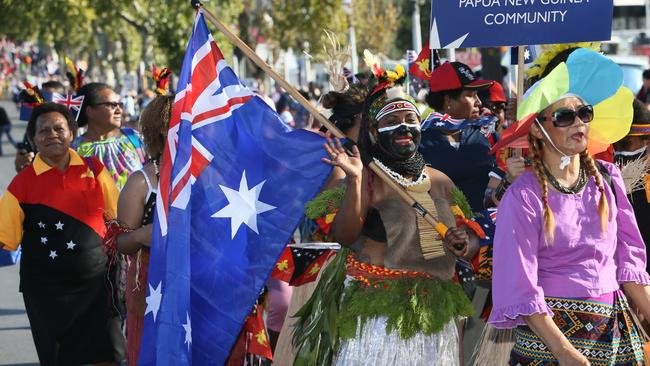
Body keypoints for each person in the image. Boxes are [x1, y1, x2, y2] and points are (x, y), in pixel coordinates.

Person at [490, 48, 649, 365]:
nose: (578, 123)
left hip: (613, 336)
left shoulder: (609, 179)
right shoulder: (523, 196)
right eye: (564, 117)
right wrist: (564, 353)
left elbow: (630, 262)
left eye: (584, 113)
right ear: (538, 128)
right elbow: (519, 283)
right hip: (549, 344)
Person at [313, 65, 476, 365]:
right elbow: (344, 236)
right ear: (373, 132)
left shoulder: (439, 181)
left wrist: (463, 242)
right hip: (376, 320)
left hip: (432, 318)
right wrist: (354, 181)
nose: (404, 127)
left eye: (411, 119)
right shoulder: (364, 175)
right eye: (392, 121)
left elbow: (469, 242)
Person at [0, 103, 125, 365]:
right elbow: (6, 239)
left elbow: (117, 220)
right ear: (34, 139)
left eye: (59, 128)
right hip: (47, 295)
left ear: (72, 133)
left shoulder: (96, 169)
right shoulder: (20, 184)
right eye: (43, 130)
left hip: (100, 288)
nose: (52, 134)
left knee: (109, 357)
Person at [113, 93, 172, 365]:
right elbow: (119, 242)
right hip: (152, 287)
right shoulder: (142, 181)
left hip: (201, 282)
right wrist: (140, 236)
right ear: (162, 126)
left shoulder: (210, 174)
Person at [419, 61, 496, 211]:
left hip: (486, 229)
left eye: (477, 95)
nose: (479, 102)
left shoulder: (486, 133)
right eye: (470, 95)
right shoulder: (418, 140)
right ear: (448, 100)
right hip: (441, 231)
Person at [74, 82, 146, 190]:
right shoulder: (74, 150)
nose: (119, 110)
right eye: (111, 105)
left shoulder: (135, 138)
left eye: (119, 105)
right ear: (90, 111)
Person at [614, 99, 650, 270]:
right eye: (614, 144)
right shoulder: (603, 176)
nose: (617, 150)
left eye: (625, 144)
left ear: (647, 141)